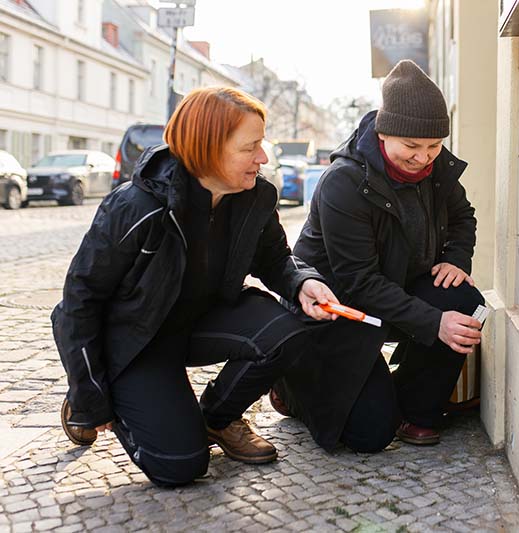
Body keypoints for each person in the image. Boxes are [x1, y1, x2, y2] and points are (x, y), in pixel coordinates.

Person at [52, 86, 339, 487]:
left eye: (262, 144)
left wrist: (303, 282)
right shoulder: (135, 207)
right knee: (180, 466)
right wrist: (89, 395)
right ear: (208, 147)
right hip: (139, 341)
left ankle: (217, 419)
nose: (263, 157)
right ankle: (112, 394)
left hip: (200, 320)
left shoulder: (254, 196)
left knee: (289, 331)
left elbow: (275, 259)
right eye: (250, 147)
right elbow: (78, 302)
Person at [271, 60, 484, 453]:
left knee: (462, 298)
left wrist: (457, 257)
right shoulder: (345, 183)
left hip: (395, 291)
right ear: (384, 133)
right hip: (339, 309)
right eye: (412, 147)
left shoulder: (435, 168)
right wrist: (433, 321)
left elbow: (462, 217)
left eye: (434, 146)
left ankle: (416, 411)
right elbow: (358, 282)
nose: (424, 158)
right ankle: (291, 384)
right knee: (368, 435)